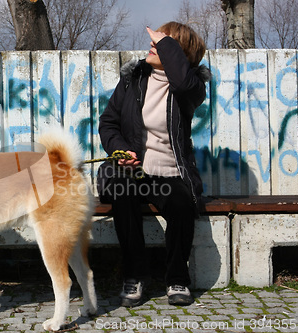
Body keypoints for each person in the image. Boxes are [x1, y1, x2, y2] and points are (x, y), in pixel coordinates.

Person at [98, 22, 210, 306]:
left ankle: (176, 279)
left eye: (162, 42)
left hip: (171, 173)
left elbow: (183, 82)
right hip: (132, 171)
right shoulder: (132, 80)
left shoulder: (190, 88)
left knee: (182, 206)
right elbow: (108, 123)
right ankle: (134, 275)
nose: (152, 44)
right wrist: (121, 151)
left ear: (177, 52)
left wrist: (165, 43)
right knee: (123, 196)